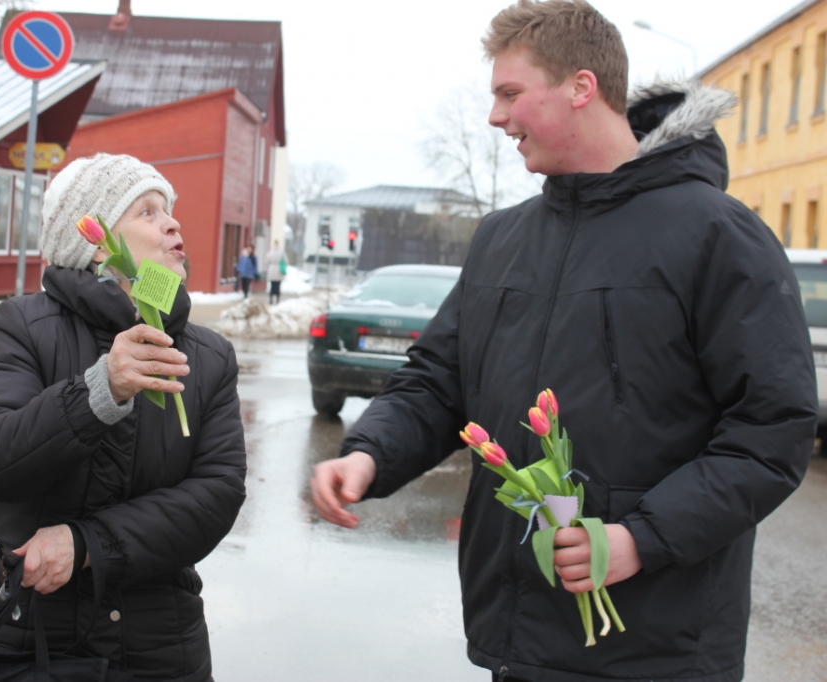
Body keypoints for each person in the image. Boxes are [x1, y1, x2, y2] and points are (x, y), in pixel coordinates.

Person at [310, 2, 817, 681]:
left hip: (658, 650)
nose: (496, 117)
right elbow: (439, 381)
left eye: (510, 93)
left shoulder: (717, 234)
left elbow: (772, 427)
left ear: (582, 87)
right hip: (517, 639)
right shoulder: (502, 239)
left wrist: (640, 537)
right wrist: (370, 452)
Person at [0, 153, 247, 681]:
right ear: (96, 243)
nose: (173, 222)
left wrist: (88, 544)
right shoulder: (24, 325)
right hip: (21, 635)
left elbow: (216, 494)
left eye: (170, 209)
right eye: (147, 211)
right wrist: (98, 390)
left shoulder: (208, 356)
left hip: (158, 647)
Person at [265, 239, 285, 305]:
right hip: (279, 271)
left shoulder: (270, 253)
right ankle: (277, 300)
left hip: (272, 270)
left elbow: (266, 262)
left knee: (272, 286)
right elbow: (286, 261)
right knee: (278, 286)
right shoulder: (282, 253)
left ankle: (271, 299)